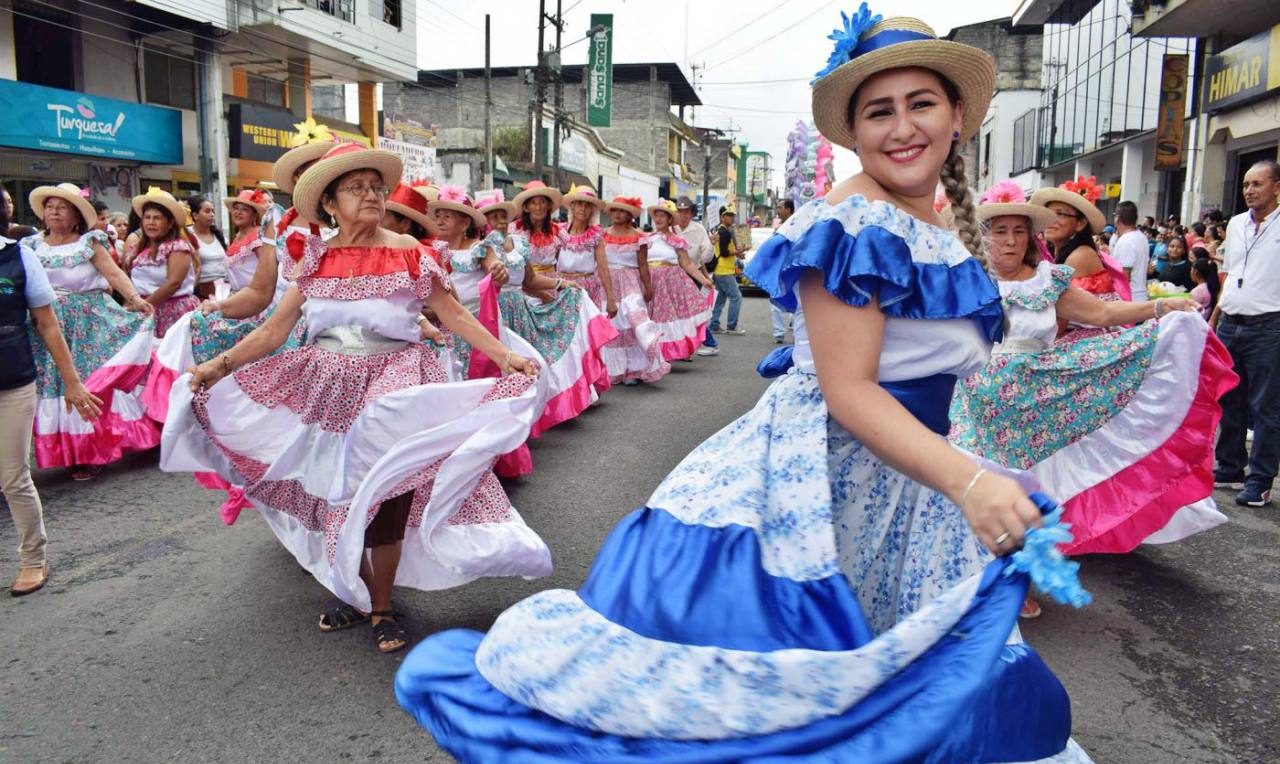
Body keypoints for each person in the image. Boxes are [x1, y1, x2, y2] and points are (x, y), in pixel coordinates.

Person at [395, 11, 1091, 761]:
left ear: (957, 113)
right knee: (798, 705)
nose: (901, 128)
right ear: (852, 132)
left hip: (911, 491)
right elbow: (849, 392)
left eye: (921, 103)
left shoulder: (945, 223)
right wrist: (972, 482)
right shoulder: (850, 222)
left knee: (936, 700)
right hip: (824, 486)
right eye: (878, 111)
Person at [161, 144, 547, 654]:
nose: (371, 195)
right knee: (337, 495)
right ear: (328, 204)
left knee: (385, 494)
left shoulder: (413, 253)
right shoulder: (316, 259)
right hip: (327, 387)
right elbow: (276, 330)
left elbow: (452, 314)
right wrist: (216, 368)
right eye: (357, 188)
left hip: (398, 384)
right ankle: (355, 587)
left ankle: (382, 606)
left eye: (376, 187)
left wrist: (503, 357)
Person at [950, 187, 1233, 619]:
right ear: (982, 236)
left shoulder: (1048, 279)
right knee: (982, 488)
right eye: (999, 231)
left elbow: (1103, 315)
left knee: (1032, 489)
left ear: (1030, 237)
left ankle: (1016, 579)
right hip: (977, 402)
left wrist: (1162, 310)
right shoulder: (964, 277)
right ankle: (986, 579)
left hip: (1040, 399)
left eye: (1018, 231)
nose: (1009, 241)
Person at [2, 201, 102, 595]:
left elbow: (47, 323)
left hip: (12, 378)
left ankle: (32, 559)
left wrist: (73, 383)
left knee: (12, 476)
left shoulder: (18, 257)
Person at [23, 183, 155, 480]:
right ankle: (69, 451)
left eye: (62, 207)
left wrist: (134, 298)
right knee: (56, 386)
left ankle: (90, 452)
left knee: (90, 384)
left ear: (75, 216)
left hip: (89, 325)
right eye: (50, 206)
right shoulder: (32, 246)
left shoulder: (89, 242)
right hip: (46, 326)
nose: (54, 211)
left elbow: (113, 273)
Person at [467, 187, 616, 436]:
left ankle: (528, 419)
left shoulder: (518, 245)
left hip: (520, 310)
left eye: (503, 215)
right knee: (498, 369)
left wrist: (562, 284)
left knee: (533, 367)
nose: (500, 221)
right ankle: (496, 425)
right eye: (493, 216)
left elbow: (530, 281)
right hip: (493, 316)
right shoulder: (479, 250)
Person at [1210, 160, 1280, 507]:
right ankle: (1230, 468)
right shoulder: (1236, 224)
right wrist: (1215, 316)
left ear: (1276, 187)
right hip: (1230, 323)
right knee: (1228, 398)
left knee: (1265, 407)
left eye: (1258, 184)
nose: (1250, 190)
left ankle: (1260, 479)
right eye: (1246, 184)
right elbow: (1229, 274)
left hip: (1269, 326)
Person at [1032, 177, 1126, 343]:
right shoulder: (1060, 253)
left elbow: (1060, 320)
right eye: (1048, 214)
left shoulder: (1080, 256)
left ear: (1081, 223)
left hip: (1086, 342)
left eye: (1060, 214)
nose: (1051, 220)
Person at [597, 196, 669, 385]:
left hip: (631, 282)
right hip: (607, 282)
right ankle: (614, 369)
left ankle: (634, 370)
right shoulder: (601, 234)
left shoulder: (639, 236)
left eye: (622, 211)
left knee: (634, 323)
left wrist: (648, 286)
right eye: (614, 210)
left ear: (630, 215)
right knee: (612, 325)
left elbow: (643, 265)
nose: (617, 214)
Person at [644, 198, 713, 361]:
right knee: (649, 319)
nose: (659, 219)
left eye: (663, 216)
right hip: (649, 284)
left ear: (669, 220)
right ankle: (651, 351)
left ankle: (666, 353)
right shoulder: (647, 239)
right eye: (657, 216)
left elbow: (687, 263)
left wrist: (703, 280)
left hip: (671, 285)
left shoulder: (677, 241)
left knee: (668, 320)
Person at [127, 188, 199, 338]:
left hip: (173, 312)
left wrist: (143, 306)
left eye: (157, 218)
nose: (151, 223)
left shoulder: (178, 247)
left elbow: (174, 283)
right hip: (146, 311)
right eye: (147, 217)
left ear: (170, 222)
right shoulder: (139, 250)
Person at [674, 195, 720, 357]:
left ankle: (709, 342)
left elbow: (706, 257)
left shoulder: (699, 229)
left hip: (694, 273)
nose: (683, 215)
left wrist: (711, 245)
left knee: (692, 311)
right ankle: (682, 347)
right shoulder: (671, 228)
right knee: (675, 312)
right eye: (680, 211)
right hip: (672, 275)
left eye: (686, 211)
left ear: (692, 213)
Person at [509, 180, 561, 275]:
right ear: (526, 207)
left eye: (542, 202)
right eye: (533, 203)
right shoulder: (514, 229)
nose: (538, 207)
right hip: (525, 283)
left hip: (551, 284)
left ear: (548, 205)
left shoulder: (558, 231)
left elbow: (559, 261)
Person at [709, 205, 746, 335]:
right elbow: (725, 253)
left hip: (721, 270)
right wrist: (737, 251)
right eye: (728, 215)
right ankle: (731, 326)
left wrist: (737, 253)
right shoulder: (723, 232)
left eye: (732, 216)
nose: (731, 218)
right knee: (736, 297)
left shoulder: (722, 230)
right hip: (723, 271)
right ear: (722, 217)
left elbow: (725, 251)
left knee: (721, 298)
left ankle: (713, 324)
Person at [187, 196, 228, 300]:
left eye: (213, 211)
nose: (212, 214)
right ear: (195, 215)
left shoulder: (220, 236)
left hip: (224, 291)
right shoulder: (187, 235)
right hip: (199, 292)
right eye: (207, 211)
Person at [1111, 200, 1148, 301]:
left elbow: (1124, 277)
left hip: (1130, 298)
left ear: (1117, 219)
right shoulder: (1141, 236)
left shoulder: (1126, 241)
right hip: (1140, 296)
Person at [770, 198, 796, 342]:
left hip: (793, 269)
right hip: (779, 269)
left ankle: (797, 332)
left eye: (780, 207)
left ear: (788, 209)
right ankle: (779, 332)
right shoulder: (778, 227)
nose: (778, 210)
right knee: (775, 300)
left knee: (797, 301)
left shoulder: (797, 224)